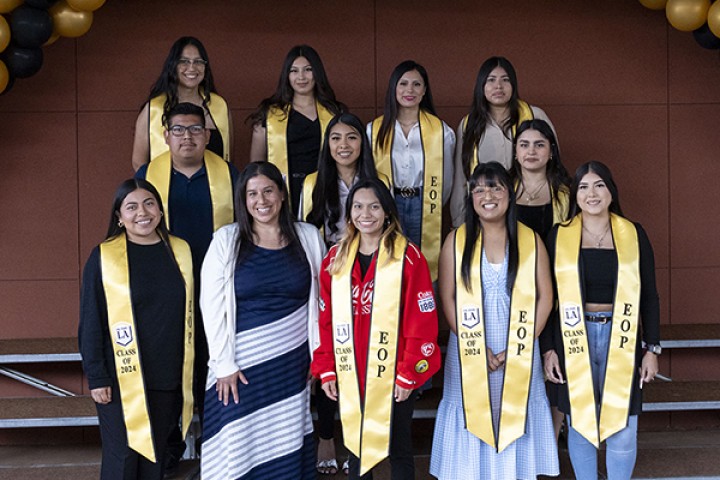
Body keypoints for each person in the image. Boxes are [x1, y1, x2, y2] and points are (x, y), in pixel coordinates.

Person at [430, 162, 559, 479]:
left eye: (495, 187)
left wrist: (522, 345)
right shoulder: (456, 241)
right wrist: (473, 345)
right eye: (479, 188)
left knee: (514, 412)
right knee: (473, 411)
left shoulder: (530, 241)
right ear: (471, 197)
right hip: (470, 347)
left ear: (510, 194)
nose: (487, 195)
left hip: (520, 345)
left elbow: (546, 297)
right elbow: (447, 297)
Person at [199, 162, 326, 480]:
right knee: (239, 444)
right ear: (242, 200)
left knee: (283, 444)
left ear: (282, 194)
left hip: (291, 364)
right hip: (238, 368)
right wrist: (223, 363)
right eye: (252, 193)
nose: (261, 200)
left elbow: (324, 301)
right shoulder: (226, 240)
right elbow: (211, 306)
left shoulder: (308, 236)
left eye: (268, 190)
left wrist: (320, 359)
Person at [312, 178, 441, 480]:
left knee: (399, 447)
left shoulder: (407, 257)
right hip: (351, 370)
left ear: (387, 212)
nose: (365, 213)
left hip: (395, 372)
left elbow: (420, 322)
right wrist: (328, 368)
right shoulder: (336, 259)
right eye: (357, 206)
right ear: (349, 212)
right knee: (356, 447)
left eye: (374, 206)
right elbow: (326, 321)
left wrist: (409, 373)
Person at [543, 161, 661, 480]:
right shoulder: (559, 236)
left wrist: (652, 349)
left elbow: (649, 294)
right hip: (573, 339)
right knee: (580, 422)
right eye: (583, 187)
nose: (591, 193)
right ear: (575, 195)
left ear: (611, 192)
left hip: (621, 337)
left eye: (599, 185)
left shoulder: (633, 234)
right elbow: (547, 299)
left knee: (622, 425)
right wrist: (549, 349)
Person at [135, 101, 237, 468]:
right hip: (168, 291)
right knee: (168, 371)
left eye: (195, 129)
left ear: (207, 135)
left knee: (213, 368)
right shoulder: (149, 175)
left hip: (217, 291)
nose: (187, 137)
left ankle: (217, 449)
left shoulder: (230, 175)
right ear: (165, 136)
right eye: (178, 130)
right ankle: (168, 451)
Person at [79, 179, 194, 480]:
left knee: (156, 459)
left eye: (149, 203)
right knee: (124, 458)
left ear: (159, 210)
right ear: (119, 216)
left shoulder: (180, 252)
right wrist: (97, 375)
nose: (142, 212)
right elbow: (91, 320)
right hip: (120, 380)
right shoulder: (103, 257)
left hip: (167, 376)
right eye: (131, 206)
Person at [299, 112, 385, 475]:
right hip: (329, 277)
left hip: (369, 278)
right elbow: (305, 233)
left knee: (364, 359)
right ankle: (326, 437)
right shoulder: (312, 183)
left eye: (351, 137)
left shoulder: (376, 183)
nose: (344, 145)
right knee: (332, 357)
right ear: (327, 144)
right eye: (336, 138)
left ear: (361, 143)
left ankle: (362, 438)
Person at [511, 118, 571, 441]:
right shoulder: (502, 188)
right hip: (512, 289)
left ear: (551, 152)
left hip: (558, 290)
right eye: (524, 145)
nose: (531, 151)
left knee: (556, 363)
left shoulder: (566, 192)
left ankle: (553, 433)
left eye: (539, 145)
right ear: (515, 152)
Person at [367, 60, 455, 282]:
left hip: (424, 206)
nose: (409, 90)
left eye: (417, 84)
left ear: (425, 90)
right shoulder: (374, 131)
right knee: (388, 267)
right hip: (387, 204)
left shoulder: (441, 132)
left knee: (423, 269)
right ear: (393, 89)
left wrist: (429, 204)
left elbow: (447, 181)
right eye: (403, 83)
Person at [450, 56, 557, 227]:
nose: (498, 86)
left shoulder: (534, 115)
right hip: (486, 211)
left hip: (529, 208)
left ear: (513, 85)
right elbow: (461, 180)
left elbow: (553, 163)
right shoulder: (468, 125)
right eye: (491, 80)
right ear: (481, 86)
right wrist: (459, 222)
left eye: (505, 80)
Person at [249, 45, 345, 216]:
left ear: (317, 73)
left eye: (308, 70)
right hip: (284, 190)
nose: (301, 77)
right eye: (294, 71)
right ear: (287, 75)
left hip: (325, 188)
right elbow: (257, 165)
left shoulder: (335, 112)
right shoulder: (269, 114)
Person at [132, 36, 232, 171]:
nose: (192, 68)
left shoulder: (220, 107)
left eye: (198, 61)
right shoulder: (152, 110)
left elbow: (228, 157)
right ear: (173, 65)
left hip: (215, 189)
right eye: (184, 61)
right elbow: (139, 163)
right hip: (165, 189)